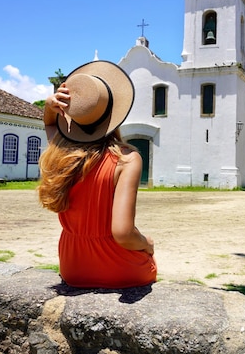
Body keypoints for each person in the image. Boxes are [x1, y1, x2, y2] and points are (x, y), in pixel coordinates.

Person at [38, 60, 156, 289]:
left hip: (73, 269)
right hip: (123, 270)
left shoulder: (61, 156)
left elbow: (50, 126)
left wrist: (49, 106)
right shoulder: (126, 160)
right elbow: (123, 234)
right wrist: (147, 243)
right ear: (114, 112)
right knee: (146, 259)